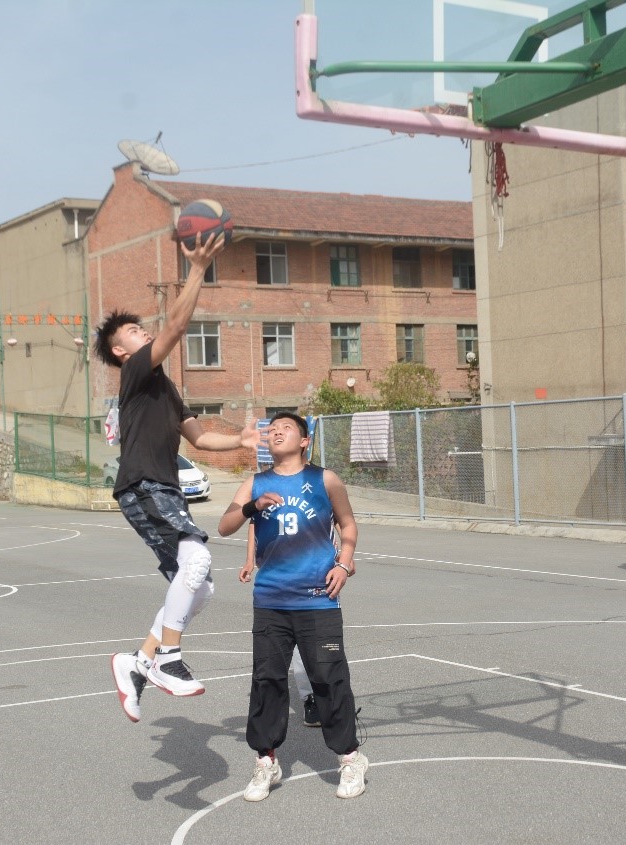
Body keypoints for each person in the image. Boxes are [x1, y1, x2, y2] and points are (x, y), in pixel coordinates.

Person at [99, 233, 260, 715]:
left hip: (162, 490)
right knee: (196, 561)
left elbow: (200, 439)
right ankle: (168, 660)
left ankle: (137, 662)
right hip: (144, 485)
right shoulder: (136, 373)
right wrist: (198, 268)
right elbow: (175, 325)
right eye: (134, 331)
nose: (143, 332)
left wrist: (241, 440)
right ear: (121, 351)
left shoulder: (164, 388)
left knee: (200, 586)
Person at [219, 411, 368, 801]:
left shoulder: (325, 479)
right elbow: (224, 525)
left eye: (286, 428)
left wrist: (344, 562)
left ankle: (351, 758)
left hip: (318, 599)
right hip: (271, 599)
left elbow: (348, 525)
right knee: (267, 681)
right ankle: (266, 761)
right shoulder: (255, 483)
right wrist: (251, 507)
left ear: (304, 441)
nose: (276, 432)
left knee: (329, 678)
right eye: (272, 429)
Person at [241, 521, 320, 729]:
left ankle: (327, 699)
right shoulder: (266, 502)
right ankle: (310, 699)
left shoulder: (317, 500)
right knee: (288, 645)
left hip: (313, 575)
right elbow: (253, 524)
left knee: (316, 644)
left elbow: (337, 521)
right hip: (278, 577)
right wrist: (249, 560)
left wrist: (344, 557)